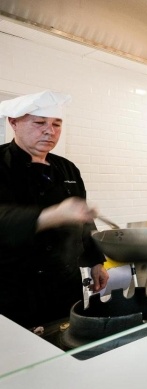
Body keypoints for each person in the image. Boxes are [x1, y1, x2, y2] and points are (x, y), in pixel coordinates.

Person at [0, 90, 109, 330]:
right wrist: (53, 215)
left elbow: (84, 220)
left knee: (65, 339)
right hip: (12, 291)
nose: (50, 131)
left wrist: (96, 261)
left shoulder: (67, 169)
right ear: (13, 123)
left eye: (56, 124)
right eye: (40, 123)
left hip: (64, 286)